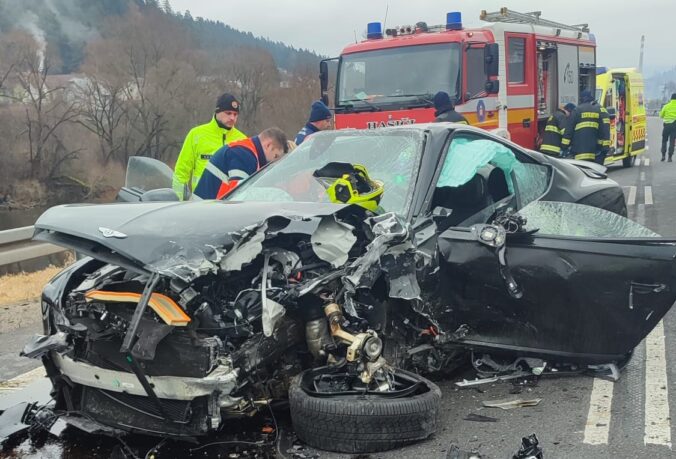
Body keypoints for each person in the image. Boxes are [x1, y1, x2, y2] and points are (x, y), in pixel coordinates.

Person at [172, 93, 247, 199]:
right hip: (201, 204)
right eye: (228, 113)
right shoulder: (196, 135)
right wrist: (179, 202)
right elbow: (181, 172)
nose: (232, 118)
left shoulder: (243, 140)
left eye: (235, 114)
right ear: (217, 111)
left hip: (231, 206)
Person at [193, 127, 289, 200]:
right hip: (207, 214)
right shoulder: (244, 154)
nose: (273, 162)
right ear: (268, 145)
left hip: (204, 209)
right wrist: (276, 194)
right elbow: (238, 194)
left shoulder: (245, 151)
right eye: (275, 156)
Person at [561, 90, 610, 164]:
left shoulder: (576, 110)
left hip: (578, 151)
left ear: (581, 99)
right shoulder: (597, 111)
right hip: (592, 152)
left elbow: (569, 130)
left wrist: (564, 146)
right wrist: (600, 146)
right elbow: (602, 131)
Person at [659, 93, 676, 162]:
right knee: (672, 142)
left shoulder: (666, 106)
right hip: (674, 126)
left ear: (671, 99)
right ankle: (670, 157)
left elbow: (661, 115)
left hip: (666, 126)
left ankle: (663, 155)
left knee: (664, 141)